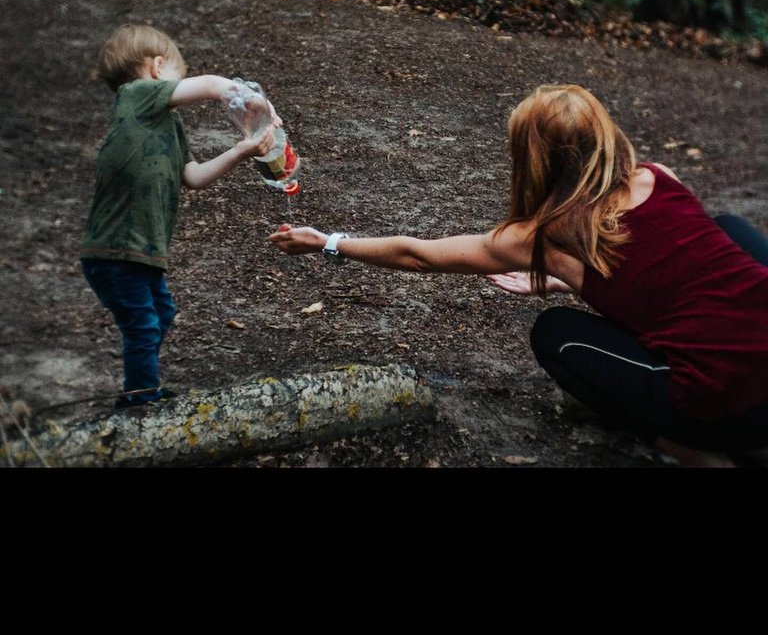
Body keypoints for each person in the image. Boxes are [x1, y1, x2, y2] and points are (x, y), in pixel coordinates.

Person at [269, 83, 768, 467]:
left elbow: (418, 255)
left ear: (533, 159)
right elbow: (678, 265)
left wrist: (328, 242)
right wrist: (566, 278)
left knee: (557, 333)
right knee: (728, 230)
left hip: (731, 408)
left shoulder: (542, 236)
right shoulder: (656, 176)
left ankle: (690, 450)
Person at [81, 24, 278, 408]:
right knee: (143, 325)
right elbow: (209, 86)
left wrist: (243, 150)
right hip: (115, 251)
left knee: (159, 314)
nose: (179, 88)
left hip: (140, 252)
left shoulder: (168, 124)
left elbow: (193, 176)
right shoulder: (133, 97)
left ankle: (142, 388)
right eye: (177, 76)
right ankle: (140, 401)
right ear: (157, 68)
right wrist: (249, 98)